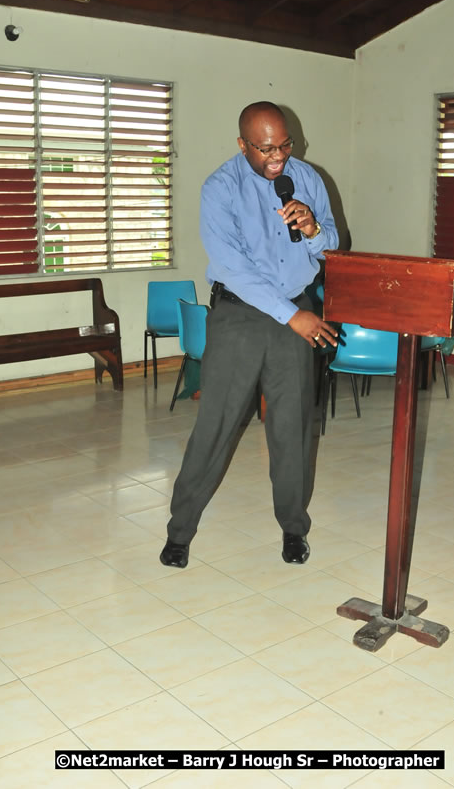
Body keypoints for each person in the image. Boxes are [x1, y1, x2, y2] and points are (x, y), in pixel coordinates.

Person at [160, 101, 339, 569]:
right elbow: (234, 268)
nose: (277, 158)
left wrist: (315, 228)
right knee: (216, 424)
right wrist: (291, 316)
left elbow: (336, 245)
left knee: (293, 427)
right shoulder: (220, 188)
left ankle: (293, 529)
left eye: (284, 145)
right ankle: (180, 531)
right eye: (265, 149)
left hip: (297, 310)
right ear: (243, 145)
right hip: (240, 317)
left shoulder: (308, 178)